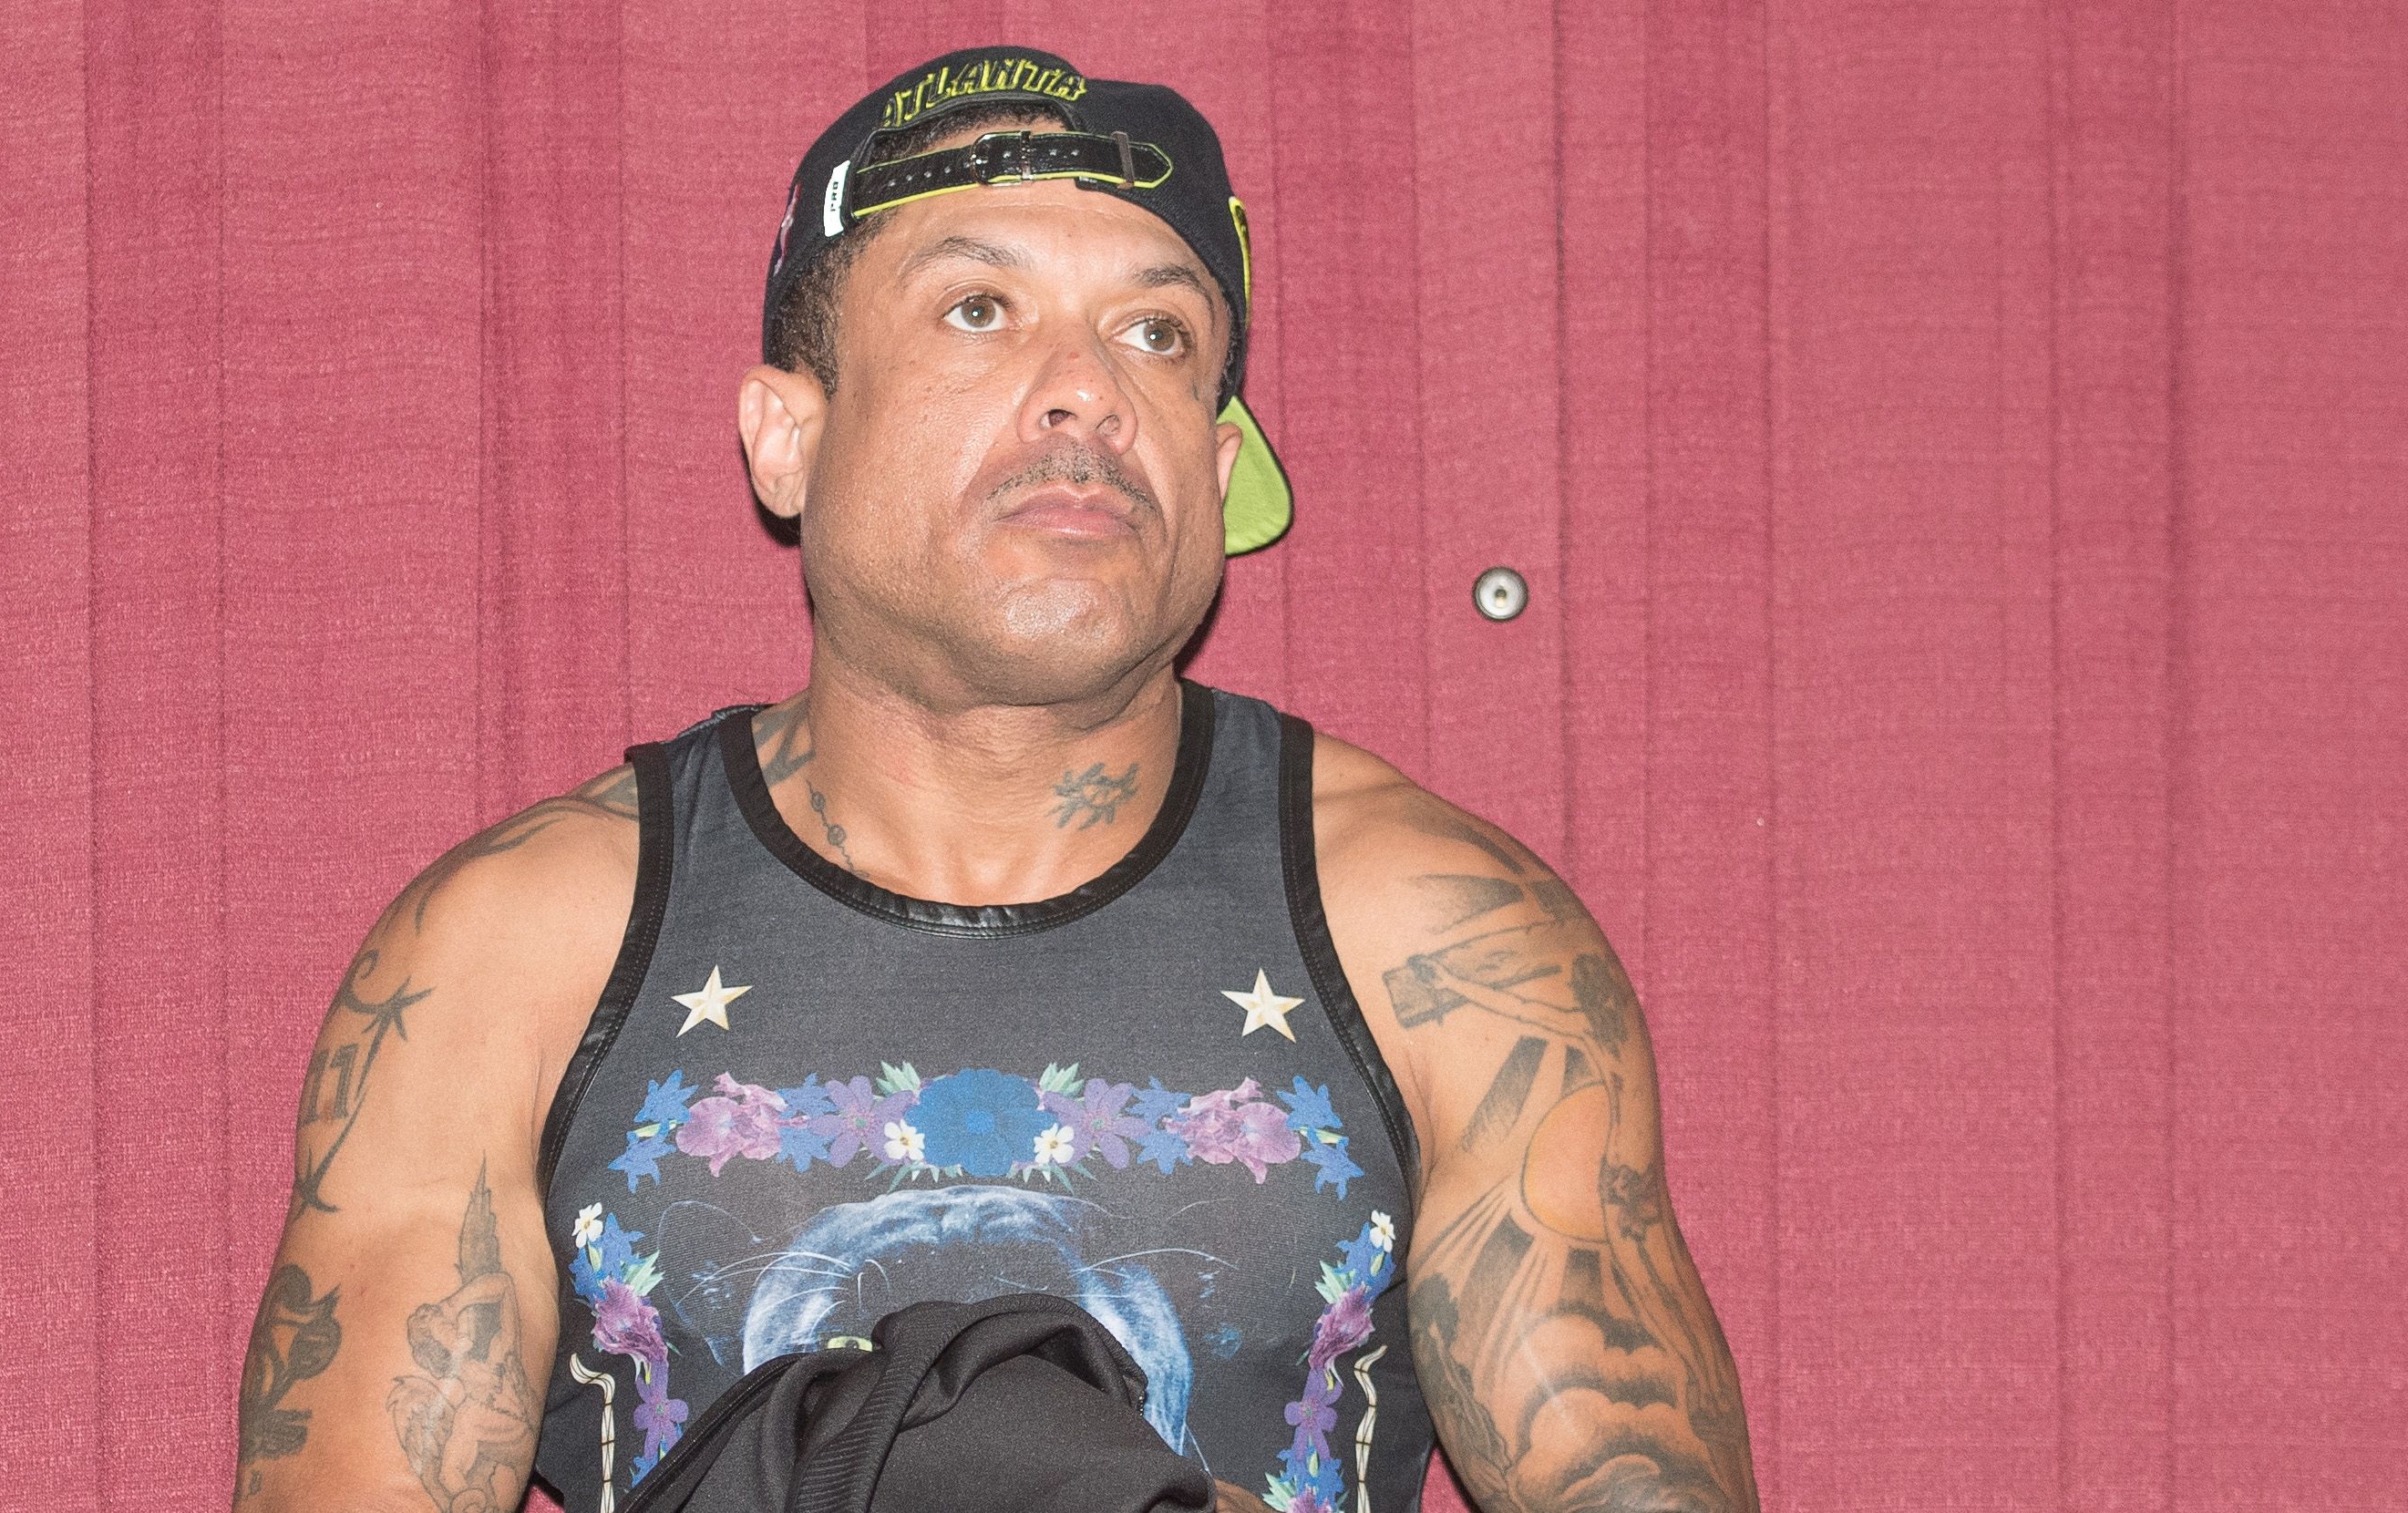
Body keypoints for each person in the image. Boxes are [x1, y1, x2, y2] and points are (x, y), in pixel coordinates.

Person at [232, 46, 1760, 1513]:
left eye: (1157, 336)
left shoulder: (1448, 944)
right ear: (786, 437)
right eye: (978, 309)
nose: (1088, 391)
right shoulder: (512, 952)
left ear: (1218, 467)